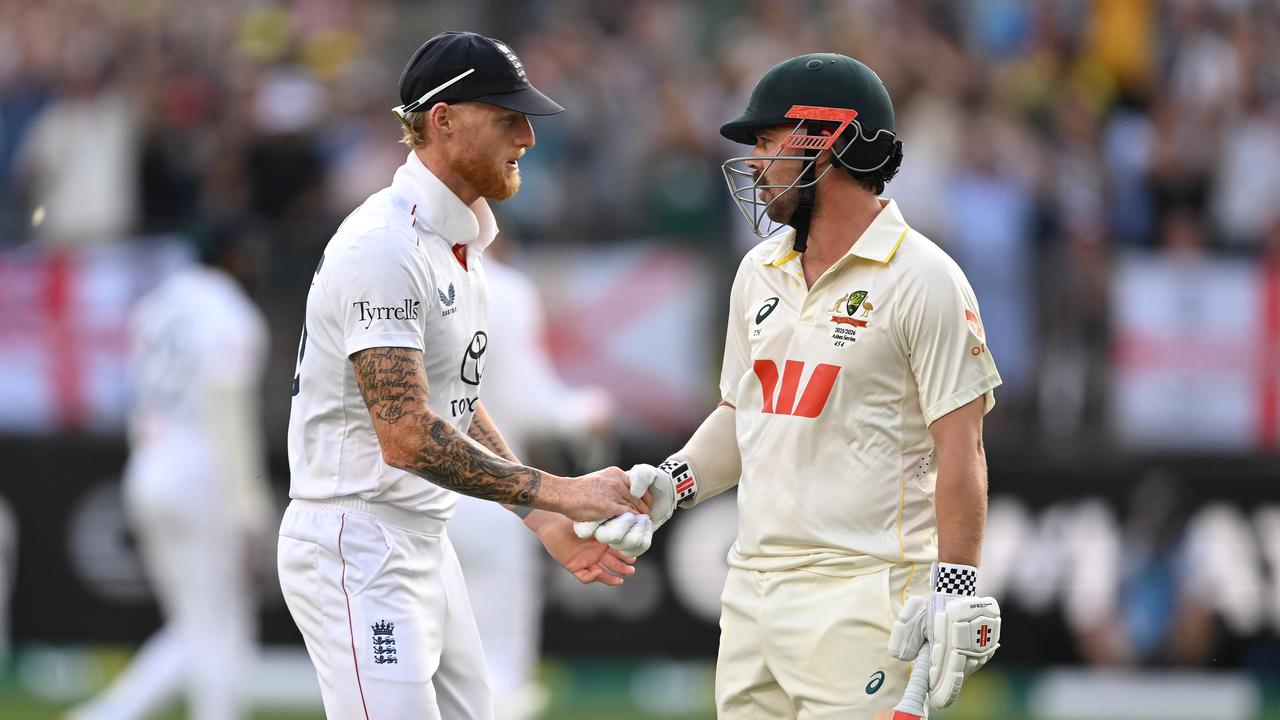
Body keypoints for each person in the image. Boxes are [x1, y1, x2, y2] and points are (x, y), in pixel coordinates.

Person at [579, 53, 1004, 718]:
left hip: (865, 595)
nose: (752, 162)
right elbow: (744, 415)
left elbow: (962, 448)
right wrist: (671, 484)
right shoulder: (759, 271)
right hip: (751, 589)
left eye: (768, 142)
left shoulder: (925, 277)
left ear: (827, 141)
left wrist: (954, 586)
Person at [277, 31, 644, 720]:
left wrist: (540, 517)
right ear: (442, 120)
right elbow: (408, 438)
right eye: (509, 117)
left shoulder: (459, 246)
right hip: (356, 542)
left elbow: (454, 404)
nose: (529, 137)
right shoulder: (386, 246)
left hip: (420, 535)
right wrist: (562, 491)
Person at [68, 223, 272, 720]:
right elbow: (227, 406)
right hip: (201, 470)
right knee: (219, 622)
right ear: (233, 257)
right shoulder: (231, 313)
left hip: (149, 464)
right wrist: (249, 505)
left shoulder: (154, 307)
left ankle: (108, 712)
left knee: (196, 622)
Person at [450, 250, 616, 720]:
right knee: (499, 666)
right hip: (493, 497)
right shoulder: (507, 291)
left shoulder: (404, 277)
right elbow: (527, 404)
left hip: (415, 493)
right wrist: (586, 411)